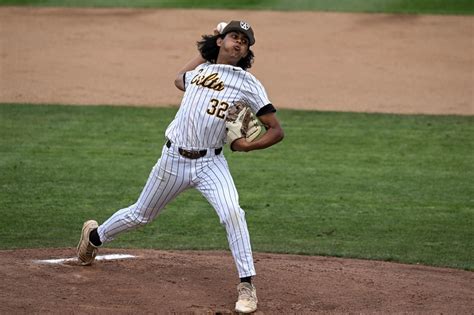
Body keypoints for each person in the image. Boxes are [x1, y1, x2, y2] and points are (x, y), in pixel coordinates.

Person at [77, 20, 284, 314]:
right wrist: (208, 44)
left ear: (246, 51)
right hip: (173, 160)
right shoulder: (200, 71)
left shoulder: (248, 83)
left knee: (233, 214)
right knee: (140, 215)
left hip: (212, 163)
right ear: (222, 41)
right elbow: (179, 79)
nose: (238, 43)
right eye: (233, 37)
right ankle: (94, 237)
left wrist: (247, 146)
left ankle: (247, 285)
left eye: (244, 41)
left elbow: (276, 130)